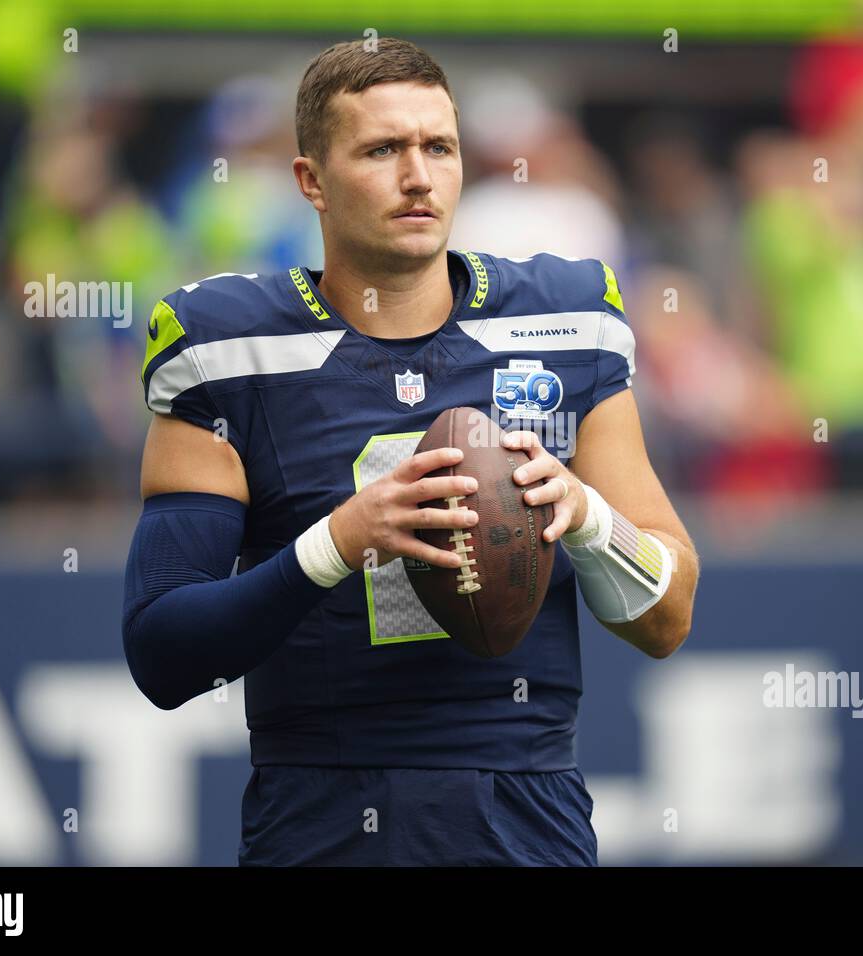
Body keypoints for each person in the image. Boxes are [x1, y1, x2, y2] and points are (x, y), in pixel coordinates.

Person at [121, 37, 698, 866]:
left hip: (524, 813)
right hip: (318, 814)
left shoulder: (566, 321)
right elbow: (163, 652)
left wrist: (589, 520)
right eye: (382, 149)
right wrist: (336, 543)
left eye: (439, 147)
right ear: (311, 182)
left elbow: (669, 619)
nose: (419, 175)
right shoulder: (230, 347)